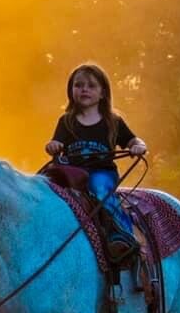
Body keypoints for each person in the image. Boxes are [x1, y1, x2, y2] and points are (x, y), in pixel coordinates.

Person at [45, 63, 148, 259]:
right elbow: (56, 142)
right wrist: (52, 146)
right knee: (45, 187)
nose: (84, 89)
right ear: (71, 90)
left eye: (91, 86)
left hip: (101, 173)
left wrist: (139, 146)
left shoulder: (113, 121)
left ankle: (123, 236)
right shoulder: (66, 121)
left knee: (100, 190)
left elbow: (134, 140)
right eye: (79, 85)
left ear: (103, 93)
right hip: (72, 174)